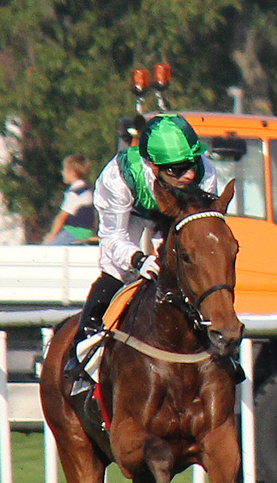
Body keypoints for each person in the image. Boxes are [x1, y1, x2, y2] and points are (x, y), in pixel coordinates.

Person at [64, 114, 221, 394]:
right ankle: (81, 350)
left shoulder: (205, 173)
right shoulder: (118, 176)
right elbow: (113, 238)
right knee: (117, 271)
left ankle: (222, 350)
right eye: (176, 170)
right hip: (132, 213)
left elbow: (202, 229)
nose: (187, 176)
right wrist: (139, 259)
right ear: (152, 165)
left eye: (190, 166)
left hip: (176, 216)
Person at [41, 155, 98, 245]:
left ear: (73, 173)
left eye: (64, 170)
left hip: (75, 233)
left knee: (47, 250)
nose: (62, 173)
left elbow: (61, 217)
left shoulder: (76, 193)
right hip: (86, 232)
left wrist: (51, 235)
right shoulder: (86, 189)